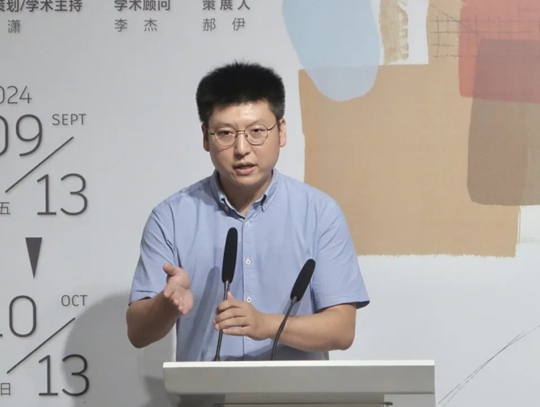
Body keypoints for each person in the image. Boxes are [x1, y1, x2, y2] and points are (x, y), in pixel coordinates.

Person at [126, 61, 370, 361]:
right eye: (225, 133)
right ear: (205, 137)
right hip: (206, 389)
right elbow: (137, 332)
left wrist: (265, 325)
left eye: (256, 131)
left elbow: (341, 330)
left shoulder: (320, 214)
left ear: (281, 131)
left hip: (296, 389)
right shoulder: (171, 218)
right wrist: (166, 304)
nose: (242, 148)